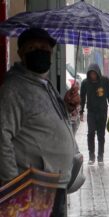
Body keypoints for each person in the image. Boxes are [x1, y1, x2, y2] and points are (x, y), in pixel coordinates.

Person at [0, 28, 79, 217]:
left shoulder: (43, 83)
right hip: (32, 188)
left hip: (54, 183)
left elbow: (41, 121)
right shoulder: (14, 89)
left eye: (45, 48)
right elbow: (2, 136)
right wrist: (14, 188)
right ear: (21, 53)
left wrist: (65, 106)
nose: (40, 51)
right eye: (33, 47)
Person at [80, 63, 109, 165]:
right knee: (90, 132)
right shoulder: (85, 83)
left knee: (101, 135)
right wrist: (81, 112)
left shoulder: (105, 81)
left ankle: (100, 156)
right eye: (91, 74)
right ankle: (91, 155)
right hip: (91, 112)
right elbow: (82, 98)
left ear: (98, 73)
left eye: (94, 73)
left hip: (102, 112)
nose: (93, 76)